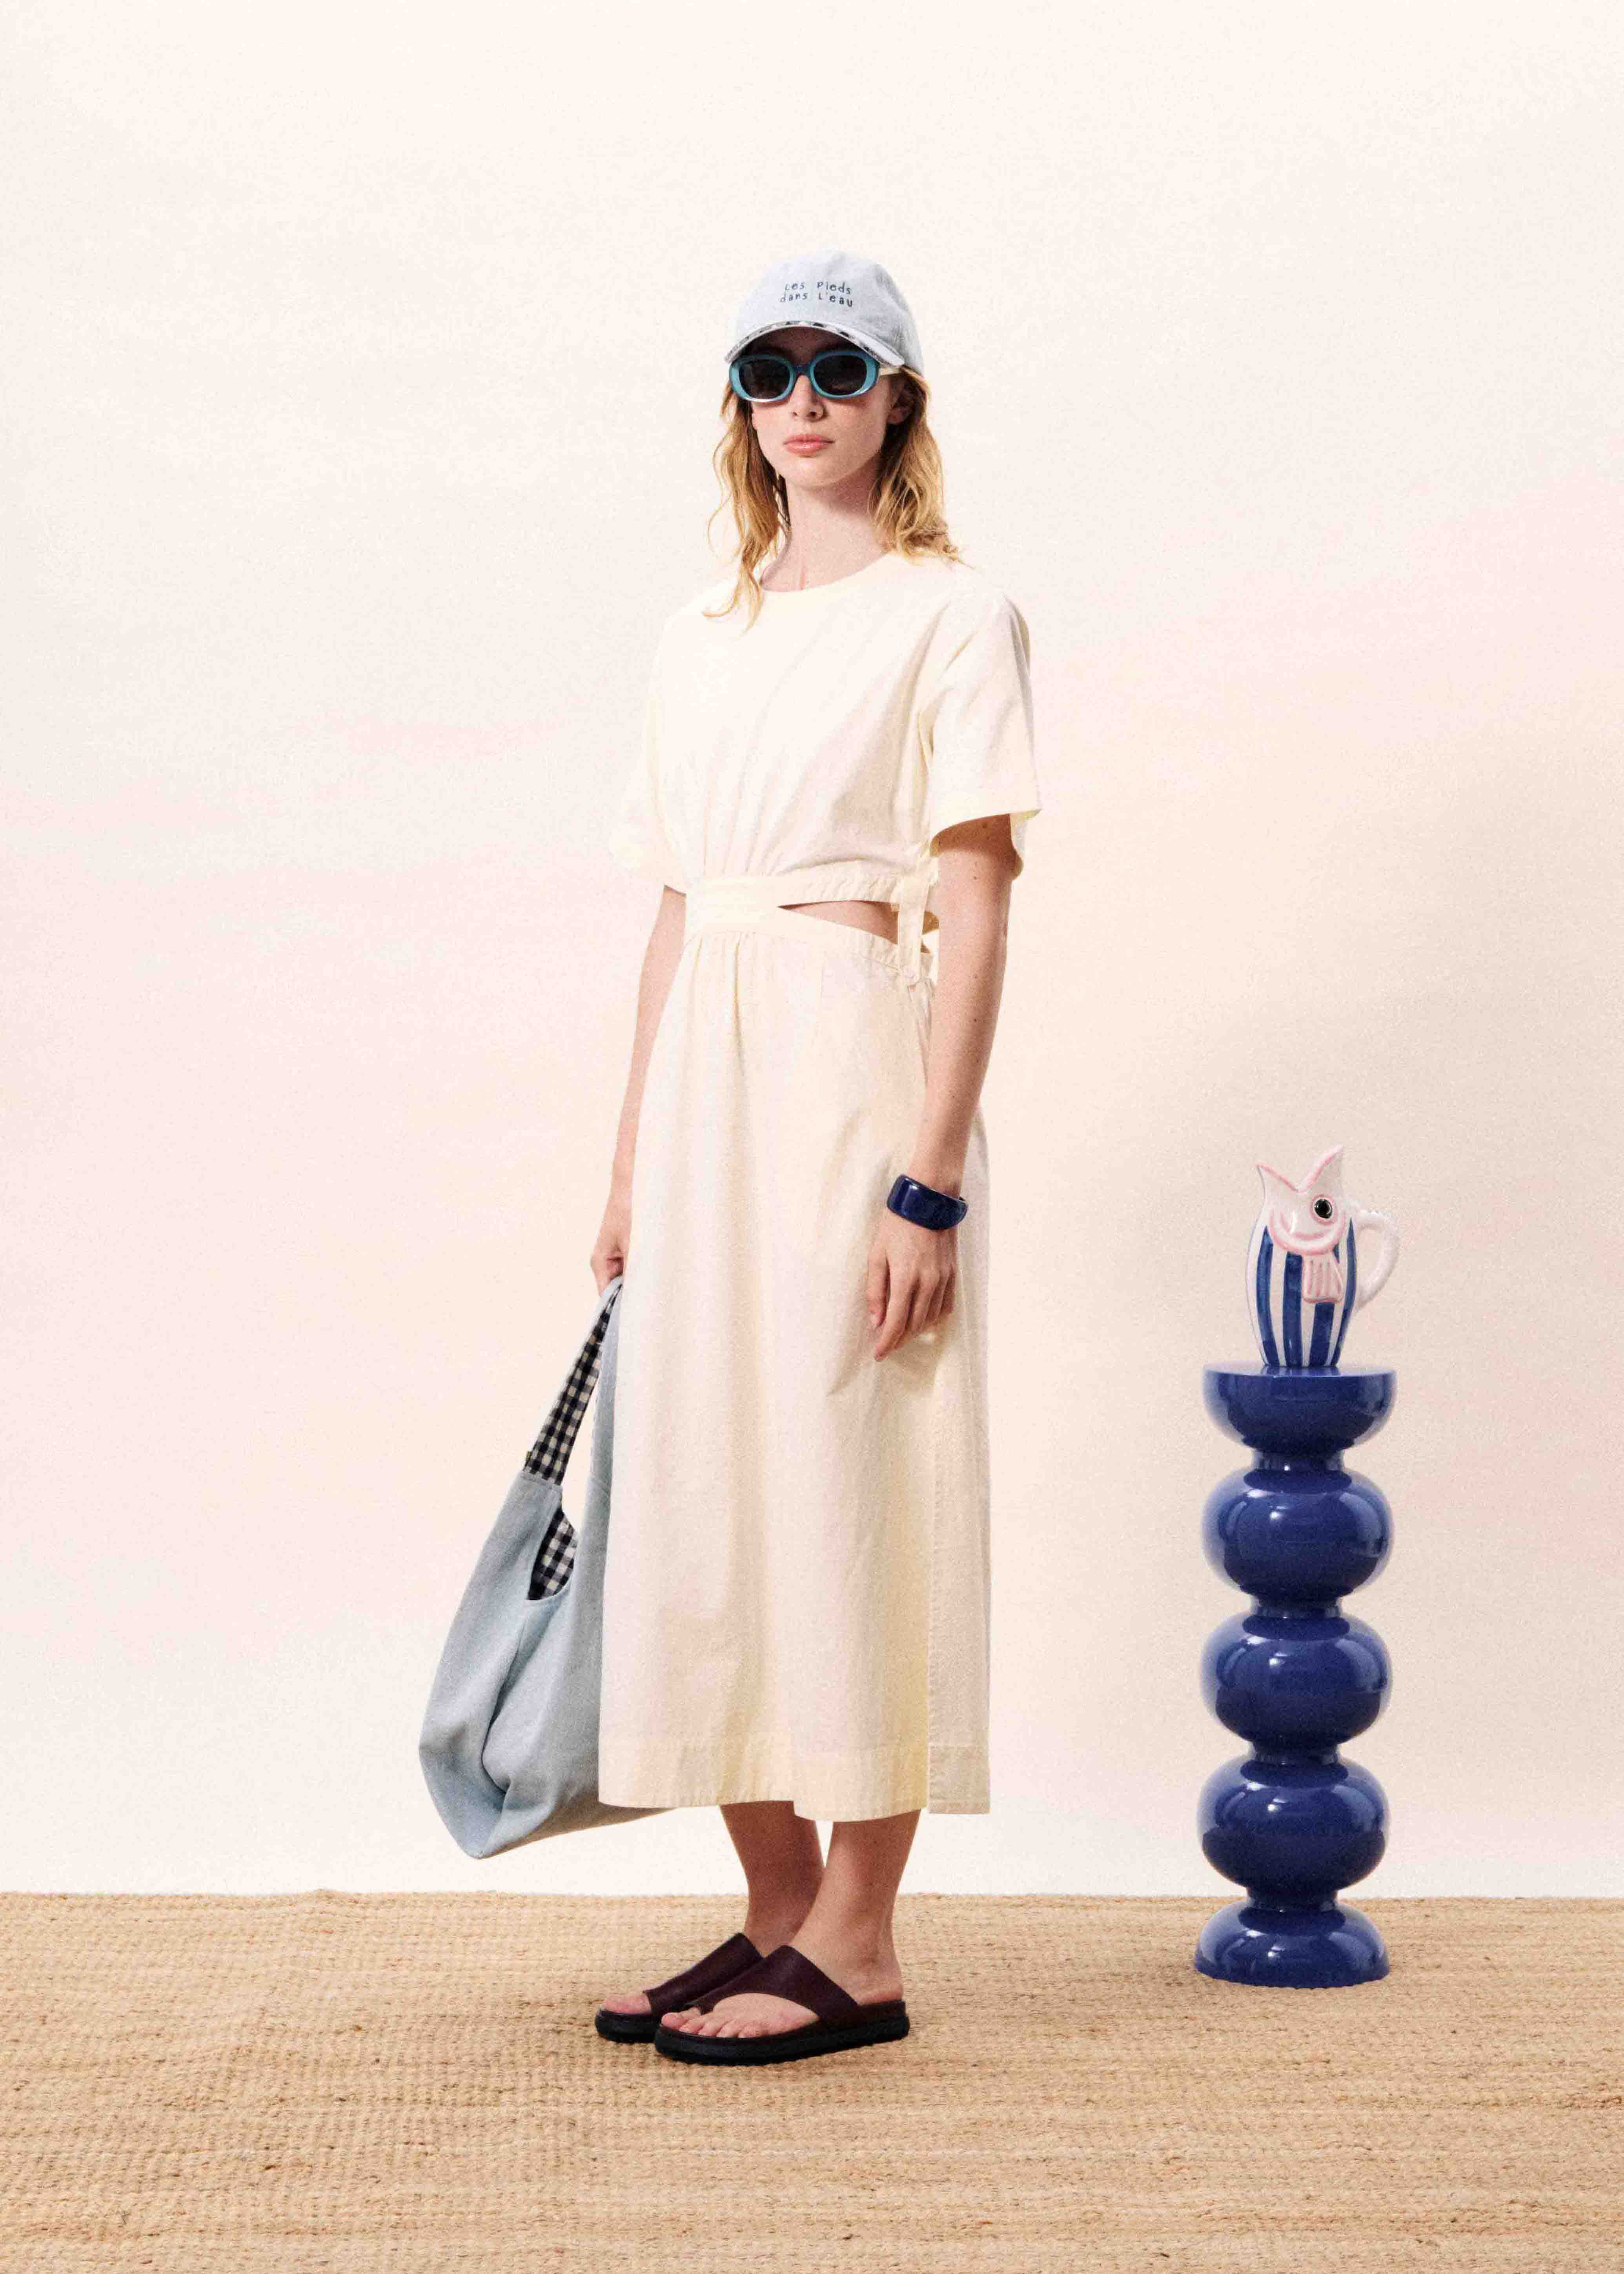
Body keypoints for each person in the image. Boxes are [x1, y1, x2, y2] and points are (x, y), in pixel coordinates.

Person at [590, 249, 1041, 2065]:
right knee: (704, 1481)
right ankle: (776, 1909)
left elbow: (977, 902)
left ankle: (861, 1939)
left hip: (854, 1069)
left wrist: (929, 1180)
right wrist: (629, 1162)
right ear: (740, 401)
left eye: (838, 367)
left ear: (895, 396)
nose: (803, 398)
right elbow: (674, 909)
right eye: (769, 368)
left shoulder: (954, 614)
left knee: (862, 1471)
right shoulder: (699, 633)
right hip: (704, 1082)